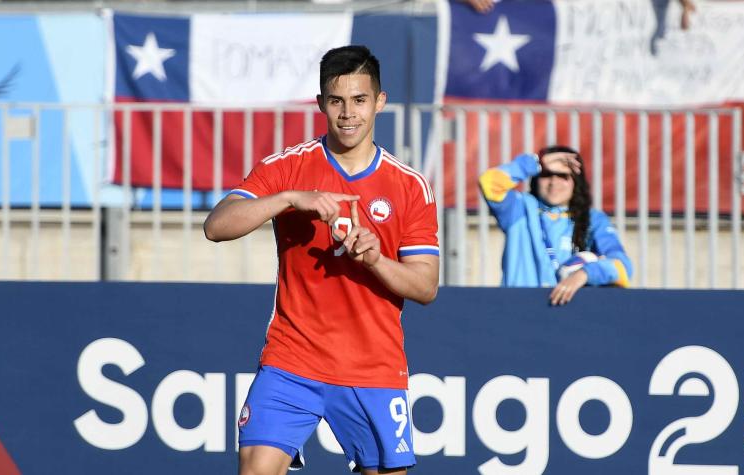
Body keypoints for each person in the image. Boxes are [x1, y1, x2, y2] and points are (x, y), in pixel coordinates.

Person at [204, 45, 440, 475]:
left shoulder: (410, 186)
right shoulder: (288, 168)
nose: (348, 113)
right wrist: (289, 199)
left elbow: (425, 287)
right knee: (255, 467)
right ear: (320, 104)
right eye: (336, 101)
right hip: (292, 359)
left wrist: (376, 261)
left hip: (372, 368)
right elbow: (216, 226)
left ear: (380, 101)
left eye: (359, 100)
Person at [478, 145, 633, 306]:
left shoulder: (593, 219)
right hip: (516, 309)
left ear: (575, 182)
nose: (553, 182)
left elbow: (622, 267)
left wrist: (584, 274)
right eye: (546, 174)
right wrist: (536, 163)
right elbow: (489, 182)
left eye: (562, 176)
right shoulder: (520, 208)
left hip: (568, 315)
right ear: (536, 178)